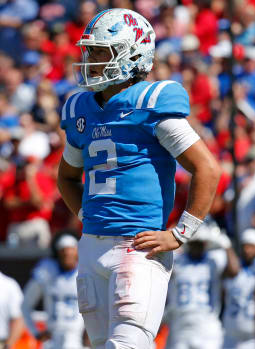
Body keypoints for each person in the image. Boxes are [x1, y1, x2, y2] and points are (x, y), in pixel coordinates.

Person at [56, 8, 221, 349]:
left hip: (136, 244)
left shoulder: (150, 102)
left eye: (102, 51)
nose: (91, 59)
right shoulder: (80, 109)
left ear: (134, 54)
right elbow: (67, 177)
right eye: (90, 50)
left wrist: (181, 232)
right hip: (90, 245)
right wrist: (86, 216)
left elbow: (206, 168)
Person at [164, 219, 234, 349]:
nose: (197, 246)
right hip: (180, 323)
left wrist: (226, 244)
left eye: (200, 243)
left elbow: (234, 271)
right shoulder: (177, 260)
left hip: (206, 323)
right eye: (194, 242)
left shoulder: (214, 260)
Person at [22, 233, 85, 349]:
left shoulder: (85, 274)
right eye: (63, 252)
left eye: (70, 251)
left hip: (76, 339)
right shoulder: (46, 271)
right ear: (57, 254)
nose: (67, 255)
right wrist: (35, 332)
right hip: (52, 339)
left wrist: (90, 333)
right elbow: (25, 305)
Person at [223, 228, 255, 349]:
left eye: (251, 247)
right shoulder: (233, 268)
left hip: (252, 337)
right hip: (230, 335)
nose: (247, 250)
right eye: (244, 246)